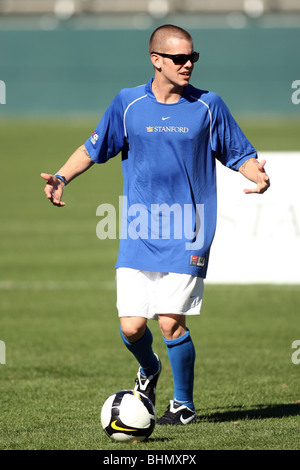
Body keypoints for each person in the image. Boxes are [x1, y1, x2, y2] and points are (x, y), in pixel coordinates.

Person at [41, 24, 270, 425]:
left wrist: (257, 175)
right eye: (179, 59)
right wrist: (61, 177)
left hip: (189, 230)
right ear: (156, 60)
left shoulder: (208, 105)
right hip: (138, 230)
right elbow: (92, 148)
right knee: (131, 328)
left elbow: (240, 152)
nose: (188, 65)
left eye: (192, 58)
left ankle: (183, 405)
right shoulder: (127, 104)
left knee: (169, 320)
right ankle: (149, 369)